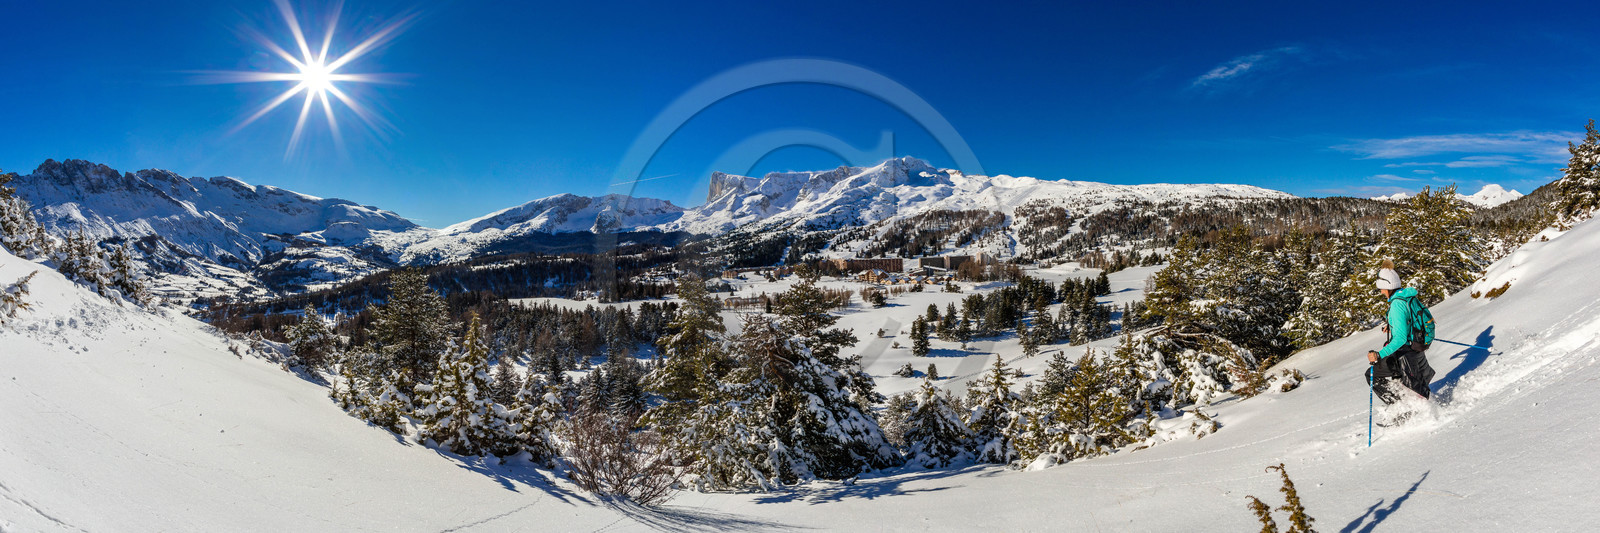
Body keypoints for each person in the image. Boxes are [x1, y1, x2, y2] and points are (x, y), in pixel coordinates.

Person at [1365, 261, 1436, 405]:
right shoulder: (1407, 296)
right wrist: (1393, 326)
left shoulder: (1397, 304)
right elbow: (1410, 318)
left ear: (1387, 286)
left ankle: (1399, 407)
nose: (1381, 292)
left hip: (1406, 352)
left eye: (1381, 288)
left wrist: (1379, 355)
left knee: (1372, 375)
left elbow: (1401, 338)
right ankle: (1406, 407)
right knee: (1409, 384)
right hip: (1416, 346)